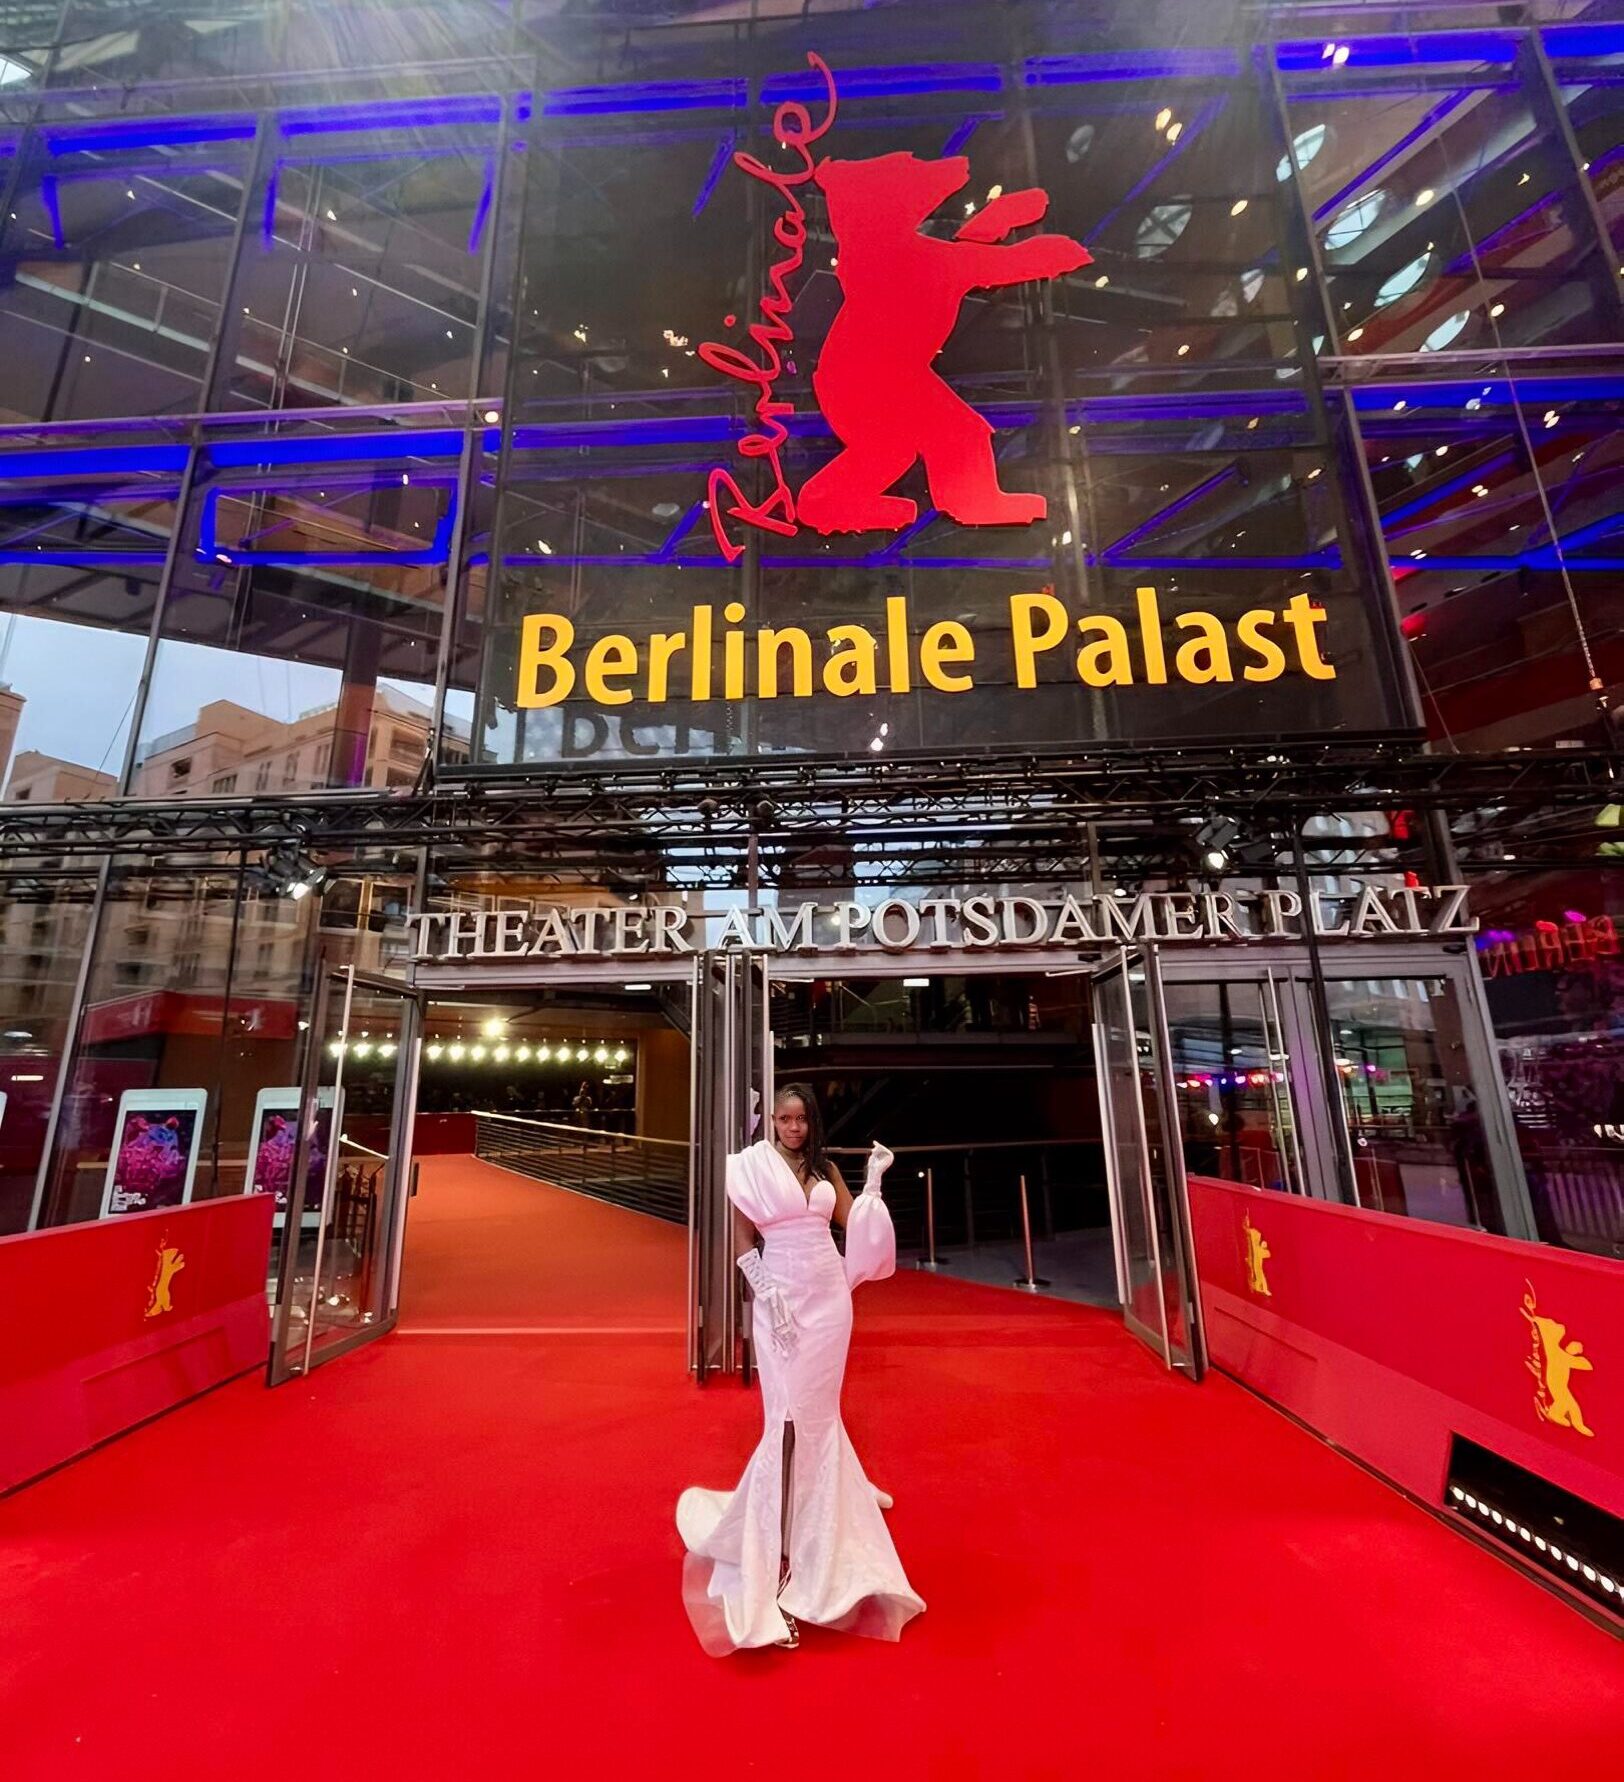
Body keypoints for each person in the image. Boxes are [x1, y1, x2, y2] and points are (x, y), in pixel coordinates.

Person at [676, 1082, 925, 1654]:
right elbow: (742, 1239)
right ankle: (776, 1536)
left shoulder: (826, 1169)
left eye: (801, 1119)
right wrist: (766, 1294)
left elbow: (854, 1227)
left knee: (816, 1414)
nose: (793, 1128)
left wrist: (875, 1183)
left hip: (829, 1299)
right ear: (772, 1121)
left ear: (812, 1122)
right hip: (779, 1302)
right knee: (783, 1418)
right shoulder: (751, 1168)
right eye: (784, 1119)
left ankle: (814, 1528)